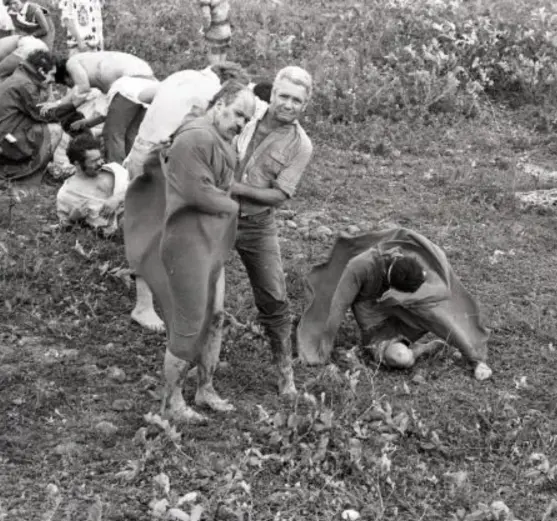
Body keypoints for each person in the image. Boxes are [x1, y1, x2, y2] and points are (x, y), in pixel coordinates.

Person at [123, 80, 255, 423]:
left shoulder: (220, 138)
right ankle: (171, 402)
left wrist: (227, 204)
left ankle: (205, 388)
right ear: (220, 104)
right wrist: (233, 205)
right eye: (238, 114)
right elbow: (199, 192)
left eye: (247, 119)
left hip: (209, 240)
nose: (240, 123)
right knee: (189, 323)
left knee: (215, 316)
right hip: (188, 242)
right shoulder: (197, 137)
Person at [123, 62, 248, 334]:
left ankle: (165, 295)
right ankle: (144, 305)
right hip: (164, 158)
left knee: (144, 226)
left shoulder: (180, 75)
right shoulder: (207, 99)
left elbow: (143, 97)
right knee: (157, 231)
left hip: (141, 151)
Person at [297, 228, 493, 381]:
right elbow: (338, 307)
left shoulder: (410, 259)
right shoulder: (361, 266)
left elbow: (440, 303)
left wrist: (475, 361)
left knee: (431, 310)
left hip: (406, 320)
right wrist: (323, 350)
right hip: (377, 332)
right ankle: (423, 349)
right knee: (402, 358)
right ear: (393, 285)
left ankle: (471, 355)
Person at [231, 66, 314, 397]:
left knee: (274, 296)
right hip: (216, 214)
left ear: (305, 105)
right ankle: (194, 362)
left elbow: (279, 195)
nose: (289, 104)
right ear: (272, 94)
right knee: (201, 288)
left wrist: (234, 187)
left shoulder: (300, 145)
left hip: (256, 224)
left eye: (297, 100)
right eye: (283, 96)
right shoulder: (246, 112)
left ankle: (284, 373)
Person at [0, 49, 75, 181]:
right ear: (41, 70)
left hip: (7, 133)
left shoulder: (21, 76)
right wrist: (73, 102)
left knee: (47, 127)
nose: (52, 79)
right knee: (54, 130)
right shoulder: (25, 85)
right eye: (51, 75)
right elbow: (45, 114)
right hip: (6, 140)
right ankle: (23, 174)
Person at [69, 75, 160, 163]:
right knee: (131, 135)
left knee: (113, 134)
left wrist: (86, 123)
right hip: (149, 89)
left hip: (129, 89)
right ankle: (131, 170)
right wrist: (86, 123)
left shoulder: (103, 89)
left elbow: (107, 115)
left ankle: (117, 170)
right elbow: (110, 114)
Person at [56, 131, 129, 235]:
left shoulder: (113, 171)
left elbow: (140, 186)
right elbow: (63, 225)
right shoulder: (67, 193)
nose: (101, 162)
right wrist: (72, 218)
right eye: (94, 161)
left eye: (100, 158)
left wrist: (117, 198)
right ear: (77, 164)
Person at [198, 0, 230, 65]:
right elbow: (228, 9)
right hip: (226, 30)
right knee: (222, 64)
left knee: (214, 67)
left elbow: (206, 17)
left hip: (214, 33)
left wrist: (204, 30)